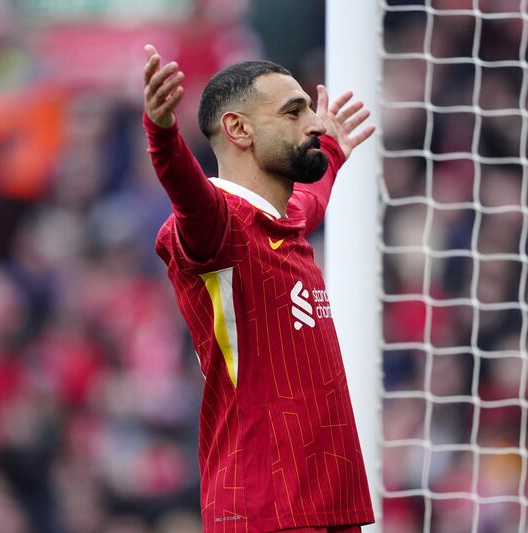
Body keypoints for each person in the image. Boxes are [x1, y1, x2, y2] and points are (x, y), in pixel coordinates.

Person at [142, 43, 375, 533]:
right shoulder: (218, 231)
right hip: (264, 507)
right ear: (238, 129)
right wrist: (162, 136)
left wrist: (331, 150)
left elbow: (311, 199)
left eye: (312, 110)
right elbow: (188, 196)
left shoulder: (285, 220)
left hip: (329, 502)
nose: (313, 122)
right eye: (294, 112)